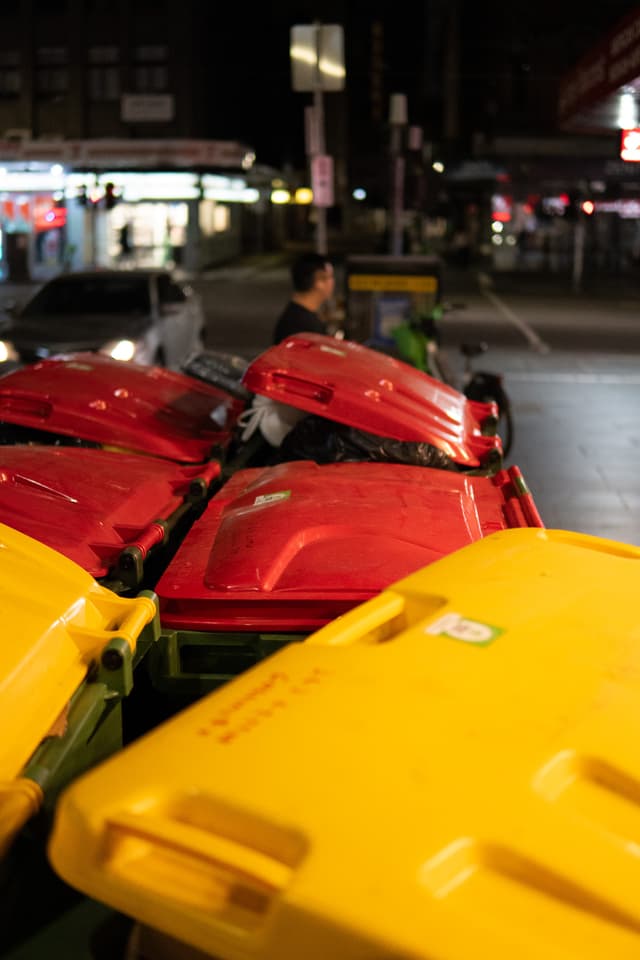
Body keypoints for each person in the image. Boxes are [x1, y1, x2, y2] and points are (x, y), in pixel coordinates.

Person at [273, 252, 335, 344]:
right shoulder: (306, 327)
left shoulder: (295, 317)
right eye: (330, 277)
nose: (333, 282)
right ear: (319, 282)